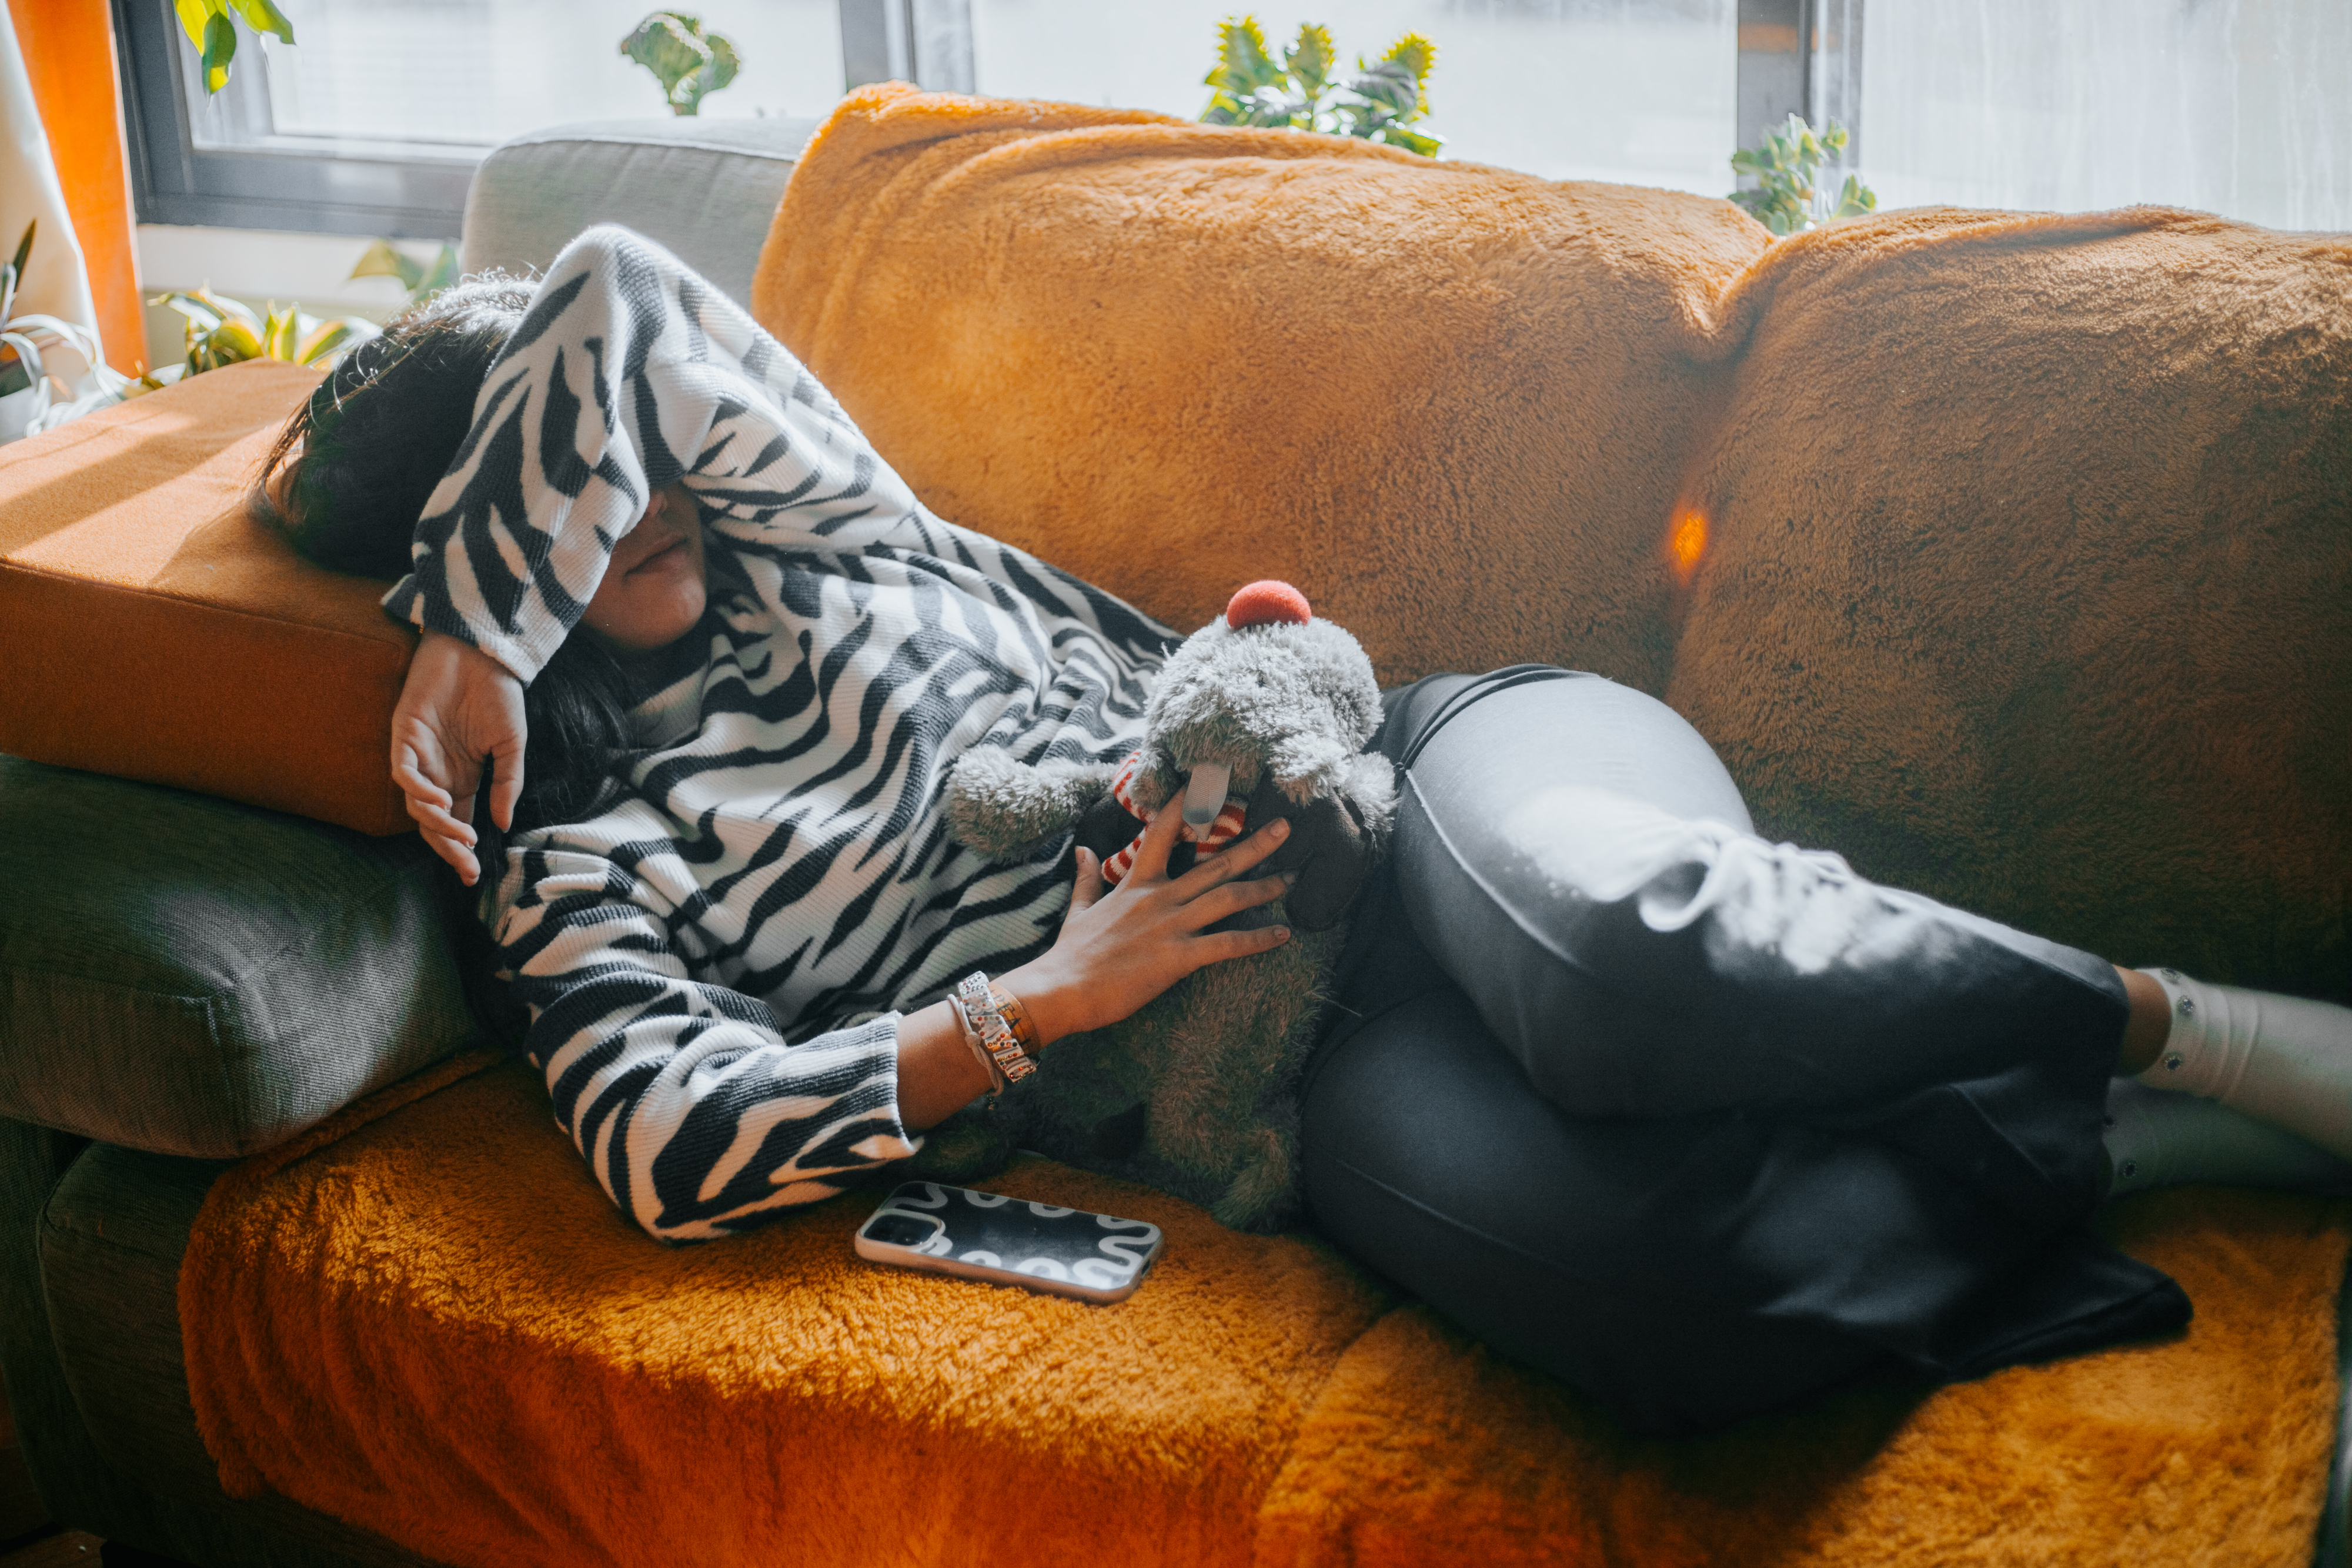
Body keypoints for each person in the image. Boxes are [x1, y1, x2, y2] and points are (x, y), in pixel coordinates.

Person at [258, 228, 2352, 1436]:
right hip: (1275, 1054)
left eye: (578, 469)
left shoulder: (818, 534)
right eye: (534, 499)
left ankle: (2184, 1022)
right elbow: (663, 1143)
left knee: (1627, 965)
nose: (626, 500)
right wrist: (1031, 1008)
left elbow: (620, 291)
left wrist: (476, 617)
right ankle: (2103, 1143)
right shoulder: (570, 856)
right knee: (1667, 1305)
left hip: (1421, 778)